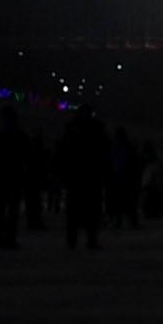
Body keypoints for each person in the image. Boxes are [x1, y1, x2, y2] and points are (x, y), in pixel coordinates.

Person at [60, 104, 109, 250]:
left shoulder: (73, 128)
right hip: (87, 175)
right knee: (89, 210)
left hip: (80, 175)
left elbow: (65, 152)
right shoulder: (94, 128)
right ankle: (87, 239)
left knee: (77, 211)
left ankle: (75, 240)